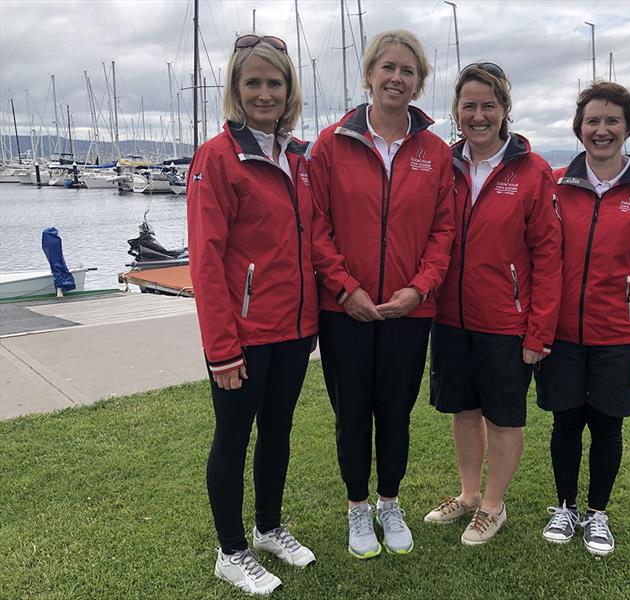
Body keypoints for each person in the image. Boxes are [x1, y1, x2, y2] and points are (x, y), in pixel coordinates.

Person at [310, 30, 454, 559]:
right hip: (342, 310)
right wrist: (345, 288)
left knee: (395, 412)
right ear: (369, 73)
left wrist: (420, 289)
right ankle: (356, 508)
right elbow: (316, 225)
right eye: (388, 67)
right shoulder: (331, 143)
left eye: (408, 70)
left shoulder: (435, 153)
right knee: (352, 413)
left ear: (419, 82)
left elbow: (444, 231)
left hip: (409, 312)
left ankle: (389, 502)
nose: (397, 78)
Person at [187, 34, 318, 595]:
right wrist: (221, 348)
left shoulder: (296, 157)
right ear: (236, 91)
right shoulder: (216, 158)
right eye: (254, 83)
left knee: (279, 432)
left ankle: (267, 528)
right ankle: (231, 550)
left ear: (289, 90)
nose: (265, 93)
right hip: (241, 335)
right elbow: (206, 260)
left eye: (275, 82)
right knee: (233, 436)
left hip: (292, 331)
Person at [536, 81, 630, 556]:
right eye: (592, 121)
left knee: (607, 425)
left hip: (620, 335)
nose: (601, 130)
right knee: (565, 423)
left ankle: (597, 513)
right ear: (579, 129)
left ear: (628, 128)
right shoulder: (555, 185)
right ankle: (565, 505)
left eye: (611, 121)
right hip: (562, 335)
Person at [424, 63, 563, 545]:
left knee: (503, 416)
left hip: (506, 320)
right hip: (449, 317)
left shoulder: (533, 171)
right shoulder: (444, 164)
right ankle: (466, 496)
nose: (478, 115)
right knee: (462, 410)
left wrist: (540, 330)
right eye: (469, 106)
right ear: (456, 112)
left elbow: (549, 256)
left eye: (488, 105)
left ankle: (493, 504)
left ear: (505, 110)